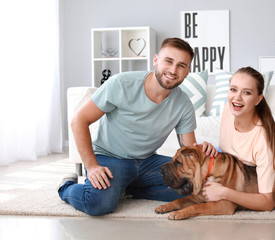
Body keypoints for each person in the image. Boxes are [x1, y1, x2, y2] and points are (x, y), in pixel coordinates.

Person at [58, 37, 217, 216]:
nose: (173, 70)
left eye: (181, 65)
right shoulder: (121, 84)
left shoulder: (183, 104)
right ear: (156, 60)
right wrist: (92, 166)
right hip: (109, 157)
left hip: (147, 161)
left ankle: (128, 190)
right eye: (169, 61)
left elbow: (188, 150)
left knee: (195, 187)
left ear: (187, 72)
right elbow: (78, 120)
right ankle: (67, 186)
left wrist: (202, 150)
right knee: (97, 203)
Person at [202, 66, 275, 211]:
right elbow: (227, 149)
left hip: (248, 178)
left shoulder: (263, 141)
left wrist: (225, 193)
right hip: (229, 165)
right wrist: (208, 150)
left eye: (247, 92)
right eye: (233, 89)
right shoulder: (228, 110)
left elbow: (267, 203)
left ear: (258, 99)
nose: (237, 98)